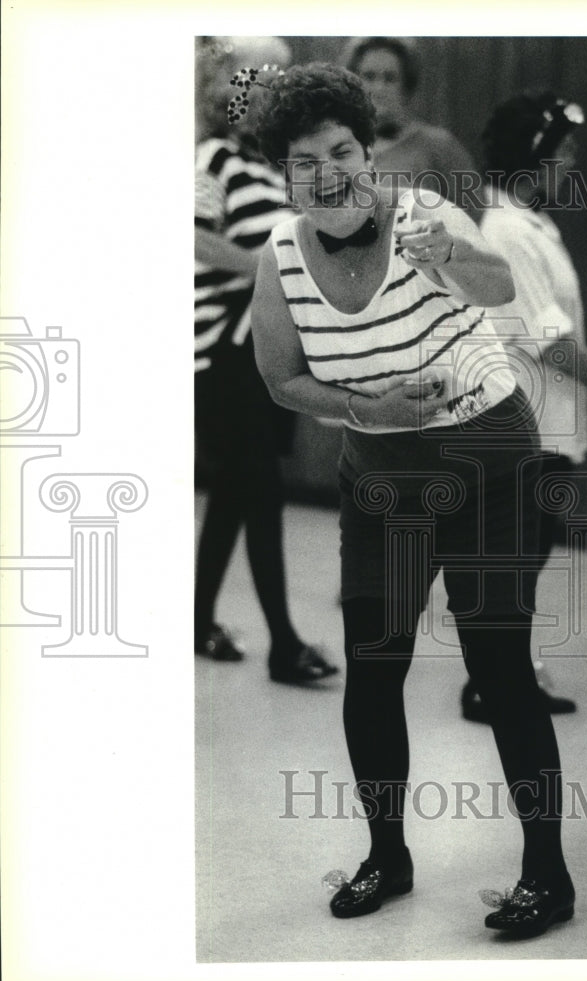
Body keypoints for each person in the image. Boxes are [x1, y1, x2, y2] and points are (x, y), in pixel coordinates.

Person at [250, 62, 576, 939]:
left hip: (487, 460)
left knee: (500, 670)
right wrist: (367, 409)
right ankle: (387, 856)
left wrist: (453, 257)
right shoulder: (279, 259)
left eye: (342, 151)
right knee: (375, 666)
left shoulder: (421, 213)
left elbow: (500, 288)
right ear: (284, 175)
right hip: (384, 474)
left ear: (366, 149)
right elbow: (281, 377)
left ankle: (548, 874)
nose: (329, 174)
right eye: (305, 162)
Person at [458, 92, 587, 724]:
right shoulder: (509, 230)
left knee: (524, 558)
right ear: (533, 157)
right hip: (528, 425)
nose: (570, 163)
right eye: (562, 152)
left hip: (551, 424)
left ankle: (509, 676)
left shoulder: (528, 221)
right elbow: (544, 335)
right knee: (513, 560)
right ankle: (491, 684)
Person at [194, 38, 337, 683]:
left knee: (235, 492)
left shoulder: (266, 168)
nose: (252, 95)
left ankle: (197, 621)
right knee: (261, 490)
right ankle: (284, 643)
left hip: (263, 349)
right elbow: (190, 236)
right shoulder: (212, 158)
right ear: (216, 88)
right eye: (240, 80)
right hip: (222, 349)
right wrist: (269, 269)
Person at [343, 36, 478, 210]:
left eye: (390, 78)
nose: (379, 88)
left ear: (406, 85)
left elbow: (472, 217)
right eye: (369, 77)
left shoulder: (439, 147)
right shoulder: (338, 147)